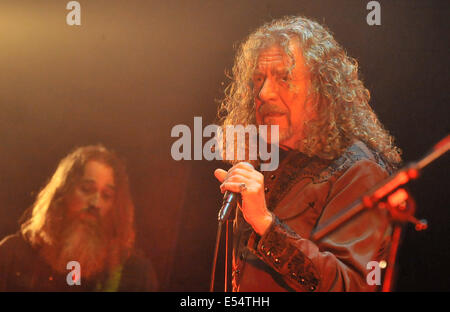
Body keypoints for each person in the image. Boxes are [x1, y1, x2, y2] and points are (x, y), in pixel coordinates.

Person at [214, 16, 402, 292]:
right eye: (258, 79)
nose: (264, 93)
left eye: (283, 78)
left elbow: (352, 286)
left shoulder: (360, 171)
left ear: (321, 89)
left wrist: (265, 224)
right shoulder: (266, 161)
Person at [0, 145, 158, 291]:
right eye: (87, 189)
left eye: (106, 195)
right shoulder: (12, 256)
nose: (96, 203)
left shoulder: (135, 274)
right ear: (63, 192)